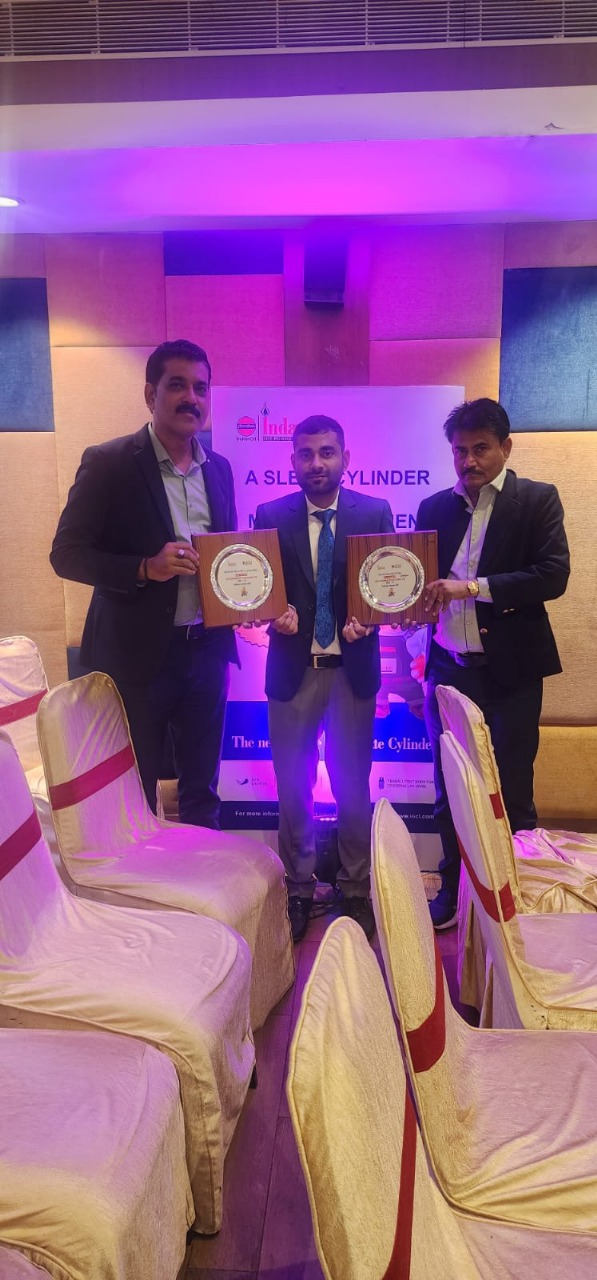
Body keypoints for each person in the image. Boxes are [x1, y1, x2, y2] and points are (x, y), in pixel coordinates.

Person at [50, 338, 237, 828]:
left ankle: (203, 875)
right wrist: (143, 568)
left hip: (206, 652)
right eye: (177, 385)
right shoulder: (109, 462)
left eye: (201, 388)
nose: (191, 398)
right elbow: (66, 554)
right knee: (133, 794)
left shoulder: (220, 469)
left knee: (202, 791)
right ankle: (142, 877)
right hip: (136, 661)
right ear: (150, 394)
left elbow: (228, 557)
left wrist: (244, 597)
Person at [416, 397, 570, 930]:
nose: (469, 461)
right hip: (448, 670)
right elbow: (421, 584)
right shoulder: (433, 508)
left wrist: (474, 588)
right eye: (460, 450)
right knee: (449, 788)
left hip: (512, 675)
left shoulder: (537, 500)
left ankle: (517, 896)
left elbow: (553, 575)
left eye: (480, 448)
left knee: (512, 790)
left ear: (505, 447)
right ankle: (454, 888)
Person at [253, 415, 395, 942]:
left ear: (345, 458)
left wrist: (373, 619)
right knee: (293, 788)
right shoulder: (270, 515)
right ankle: (298, 887)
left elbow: (390, 587)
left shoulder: (374, 512)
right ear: (292, 460)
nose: (317, 463)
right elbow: (257, 589)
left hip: (352, 674)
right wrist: (273, 615)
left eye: (327, 452)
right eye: (306, 453)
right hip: (294, 673)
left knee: (353, 785)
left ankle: (355, 888)